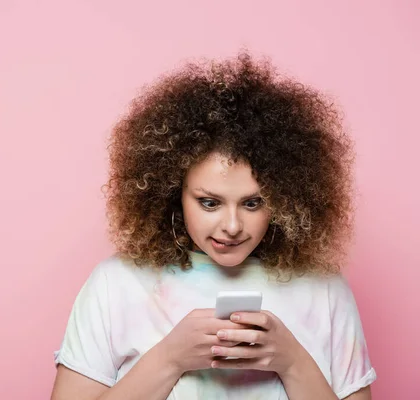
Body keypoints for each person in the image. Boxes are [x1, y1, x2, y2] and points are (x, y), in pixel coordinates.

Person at [50, 52, 376, 400]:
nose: (232, 226)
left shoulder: (324, 290)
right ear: (174, 193)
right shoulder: (115, 284)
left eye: (253, 203)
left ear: (285, 198)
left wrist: (292, 362)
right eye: (209, 202)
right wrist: (170, 358)